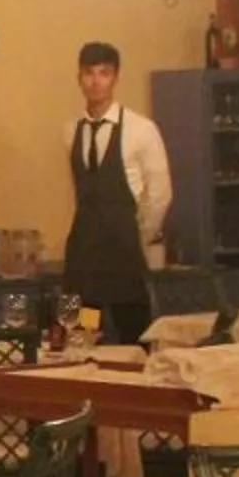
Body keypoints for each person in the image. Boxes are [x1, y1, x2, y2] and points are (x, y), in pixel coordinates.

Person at [62, 41, 172, 346]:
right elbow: (77, 188)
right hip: (82, 255)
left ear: (115, 78)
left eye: (104, 73)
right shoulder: (70, 130)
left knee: (135, 339)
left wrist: (137, 234)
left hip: (124, 252)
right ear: (79, 78)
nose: (95, 81)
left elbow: (160, 195)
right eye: (88, 73)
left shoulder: (141, 129)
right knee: (77, 338)